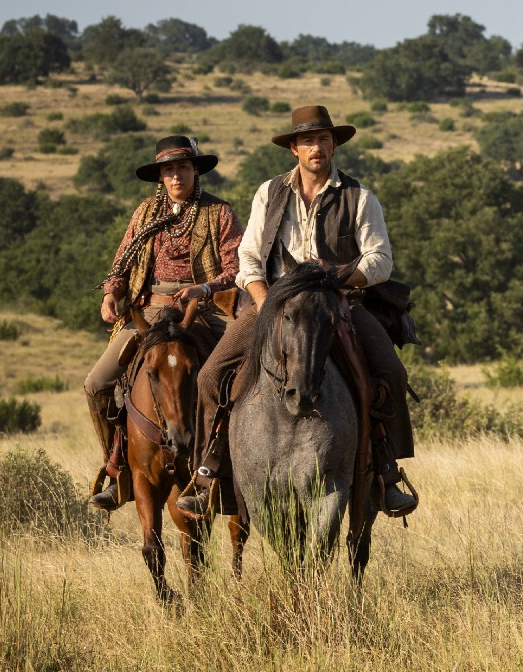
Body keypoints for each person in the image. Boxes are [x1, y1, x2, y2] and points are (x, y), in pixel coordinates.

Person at [175, 105, 418, 519]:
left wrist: (339, 278)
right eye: (308, 140)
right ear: (294, 149)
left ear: (334, 145)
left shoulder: (359, 197)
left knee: (391, 372)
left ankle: (385, 470)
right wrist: (265, 299)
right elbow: (248, 256)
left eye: (324, 139)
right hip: (272, 303)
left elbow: (380, 260)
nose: (317, 147)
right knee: (211, 375)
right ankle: (209, 470)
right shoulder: (269, 193)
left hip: (338, 302)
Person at [86, 135, 242, 511]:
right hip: (150, 308)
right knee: (96, 384)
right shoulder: (143, 214)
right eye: (169, 170)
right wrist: (111, 293)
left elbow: (237, 267)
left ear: (195, 171)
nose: (176, 177)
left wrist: (203, 288)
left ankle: (234, 469)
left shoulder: (219, 213)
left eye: (183, 168)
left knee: (238, 378)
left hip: (206, 308)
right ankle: (117, 466)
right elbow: (122, 263)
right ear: (160, 176)